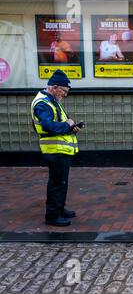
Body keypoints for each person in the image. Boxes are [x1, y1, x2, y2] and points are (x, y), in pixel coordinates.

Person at [30, 70, 82, 227]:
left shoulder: (52, 100)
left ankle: (59, 209)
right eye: (64, 91)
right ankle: (52, 216)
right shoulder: (42, 104)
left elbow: (58, 123)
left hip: (61, 149)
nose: (65, 94)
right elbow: (48, 126)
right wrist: (67, 125)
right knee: (57, 183)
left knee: (61, 182)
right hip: (55, 149)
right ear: (54, 87)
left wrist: (71, 127)